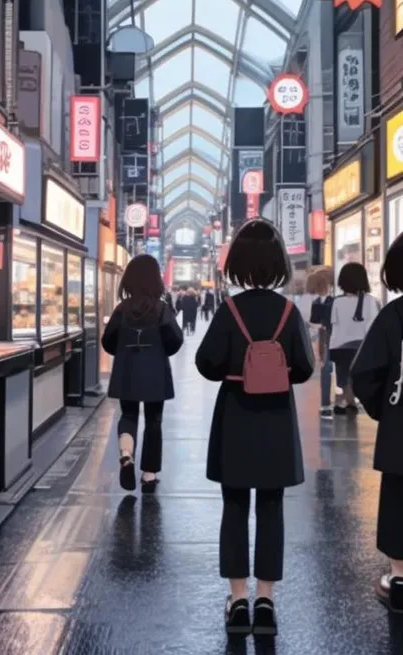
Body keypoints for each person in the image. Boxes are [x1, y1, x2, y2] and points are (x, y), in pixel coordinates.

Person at [195, 219, 314, 639]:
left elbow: (205, 364)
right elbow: (305, 367)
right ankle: (266, 600)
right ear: (279, 262)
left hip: (236, 415)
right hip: (277, 419)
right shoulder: (288, 311)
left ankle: (238, 599)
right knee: (271, 507)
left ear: (238, 263)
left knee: (234, 507)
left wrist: (237, 368)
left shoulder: (229, 311)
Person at [351, 233, 403, 613]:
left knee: (399, 496)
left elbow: (364, 373)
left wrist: (384, 410)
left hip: (401, 426)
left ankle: (399, 576)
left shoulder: (393, 316)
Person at [101, 255, 183, 493]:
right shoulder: (162, 309)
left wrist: (125, 350)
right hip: (155, 370)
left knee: (128, 414)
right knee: (154, 420)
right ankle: (149, 474)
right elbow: (175, 340)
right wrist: (159, 350)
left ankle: (127, 453)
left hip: (127, 369)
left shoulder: (121, 310)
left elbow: (108, 342)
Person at [329, 262, 379, 415]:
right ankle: (353, 402)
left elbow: (334, 325)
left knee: (344, 377)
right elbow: (375, 326)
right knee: (362, 375)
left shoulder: (337, 302)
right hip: (364, 346)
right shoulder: (371, 301)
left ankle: (350, 402)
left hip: (341, 346)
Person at [309, 267, 334, 420]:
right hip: (323, 338)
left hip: (334, 338)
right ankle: (325, 403)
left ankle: (341, 400)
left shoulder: (334, 301)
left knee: (332, 370)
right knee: (325, 370)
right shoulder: (316, 302)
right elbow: (313, 321)